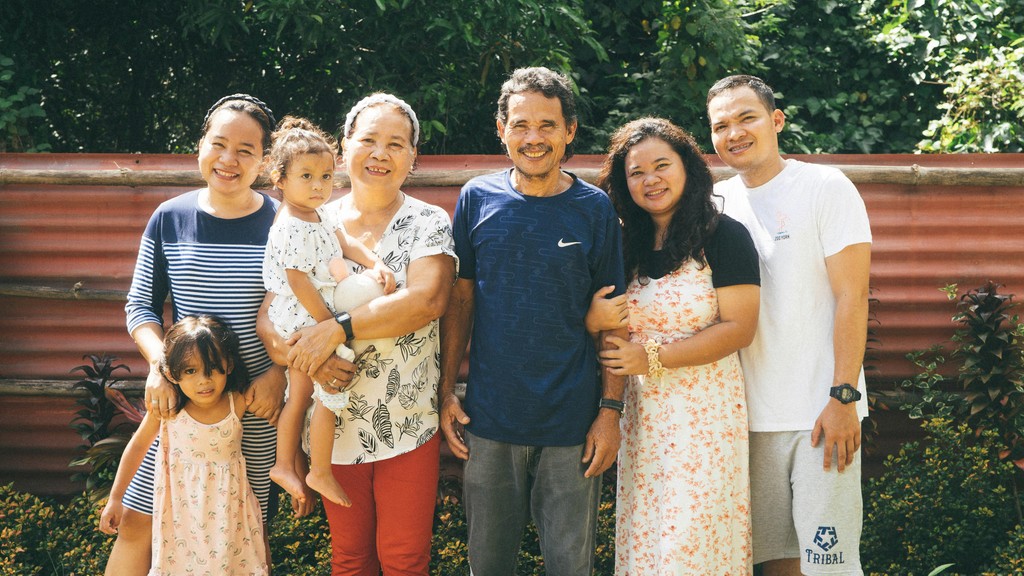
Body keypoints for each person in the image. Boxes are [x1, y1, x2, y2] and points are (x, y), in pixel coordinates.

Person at [439, 66, 627, 576]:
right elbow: (460, 303)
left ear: (570, 132)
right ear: (501, 129)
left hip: (572, 423)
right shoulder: (476, 199)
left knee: (570, 567)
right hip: (490, 420)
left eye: (547, 125)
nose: (533, 138)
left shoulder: (595, 210)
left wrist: (610, 410)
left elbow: (615, 318)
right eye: (521, 124)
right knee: (489, 566)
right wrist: (445, 391)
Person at [258, 92, 457, 575]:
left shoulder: (428, 222)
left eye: (396, 143)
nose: (380, 153)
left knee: (405, 558)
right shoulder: (310, 215)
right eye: (368, 139)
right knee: (350, 559)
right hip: (334, 426)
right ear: (344, 147)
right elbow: (270, 314)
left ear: (414, 157)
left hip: (407, 419)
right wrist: (305, 357)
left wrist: (334, 330)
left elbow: (425, 301)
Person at [106, 94, 289, 576]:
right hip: (184, 401)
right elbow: (140, 306)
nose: (230, 160)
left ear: (265, 161)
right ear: (200, 145)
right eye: (220, 144)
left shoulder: (285, 223)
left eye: (246, 150)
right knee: (135, 521)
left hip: (253, 405)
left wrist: (279, 374)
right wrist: (158, 369)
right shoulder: (170, 216)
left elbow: (307, 311)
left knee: (243, 531)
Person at [706, 75, 872, 576]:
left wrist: (844, 396)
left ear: (776, 120)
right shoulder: (713, 205)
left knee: (829, 564)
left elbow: (853, 295)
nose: (734, 132)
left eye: (746, 117)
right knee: (773, 563)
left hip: (819, 415)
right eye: (721, 125)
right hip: (745, 421)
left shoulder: (824, 187)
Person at [585, 117, 760, 574]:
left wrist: (652, 357)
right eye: (636, 173)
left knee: (691, 545)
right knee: (647, 542)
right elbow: (607, 323)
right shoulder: (624, 243)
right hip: (642, 421)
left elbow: (739, 328)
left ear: (688, 167)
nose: (650, 180)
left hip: (704, 419)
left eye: (662, 166)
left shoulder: (724, 236)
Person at [262, 115, 396, 509]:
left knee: (300, 392)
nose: (319, 186)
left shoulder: (317, 213)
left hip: (313, 312)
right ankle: (317, 469)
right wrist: (329, 327)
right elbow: (299, 282)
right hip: (304, 315)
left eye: (325, 176)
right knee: (328, 387)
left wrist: (376, 263)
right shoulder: (290, 225)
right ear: (280, 179)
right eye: (306, 176)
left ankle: (285, 464)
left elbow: (347, 242)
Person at [100, 315, 268, 575]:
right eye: (190, 371)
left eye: (212, 368)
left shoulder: (238, 403)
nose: (204, 380)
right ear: (170, 373)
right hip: (181, 511)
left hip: (229, 510)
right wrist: (115, 498)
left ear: (230, 365)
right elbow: (137, 447)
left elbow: (284, 417)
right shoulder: (168, 411)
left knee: (228, 564)